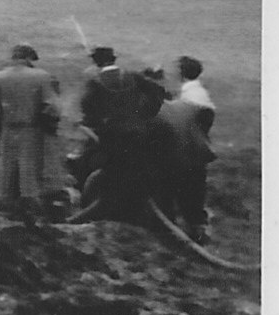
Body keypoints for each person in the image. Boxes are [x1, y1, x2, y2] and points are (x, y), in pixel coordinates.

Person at [73, 46, 167, 216]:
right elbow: (158, 93)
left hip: (111, 136)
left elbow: (87, 109)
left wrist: (93, 123)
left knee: (85, 160)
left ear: (96, 62)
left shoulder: (95, 82)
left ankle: (85, 200)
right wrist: (144, 115)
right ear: (114, 59)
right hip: (138, 132)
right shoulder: (133, 76)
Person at [0, 44, 61, 217]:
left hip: (7, 130)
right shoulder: (42, 76)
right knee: (30, 170)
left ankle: (6, 208)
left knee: (7, 169)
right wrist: (50, 127)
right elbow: (51, 107)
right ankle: (31, 210)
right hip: (31, 130)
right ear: (29, 58)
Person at [155, 57, 216, 242]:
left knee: (181, 189)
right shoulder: (197, 92)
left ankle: (177, 230)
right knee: (194, 193)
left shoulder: (191, 97)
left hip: (186, 149)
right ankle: (196, 228)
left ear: (181, 73)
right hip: (195, 149)